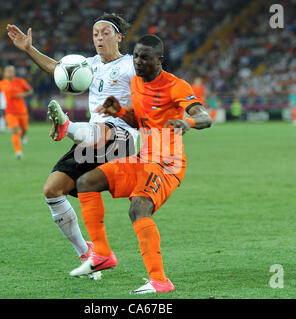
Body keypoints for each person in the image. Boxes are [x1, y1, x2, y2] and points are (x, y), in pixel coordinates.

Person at [69, 34, 212, 294]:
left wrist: (186, 122)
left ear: (159, 60)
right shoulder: (135, 82)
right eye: (135, 55)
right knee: (86, 182)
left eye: (144, 57)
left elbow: (205, 117)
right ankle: (101, 255)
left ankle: (160, 281)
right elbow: (140, 120)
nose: (137, 61)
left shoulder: (175, 86)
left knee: (138, 208)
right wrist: (120, 112)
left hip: (168, 162)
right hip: (144, 157)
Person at [6, 13, 138, 279]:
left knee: (104, 130)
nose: (99, 38)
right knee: (52, 190)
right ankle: (87, 253)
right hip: (94, 138)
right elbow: (58, 68)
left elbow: (140, 112)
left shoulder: (131, 67)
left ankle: (69, 128)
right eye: (95, 34)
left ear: (119, 37)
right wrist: (29, 48)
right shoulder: (89, 65)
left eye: (106, 33)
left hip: (122, 138)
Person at [0, 65, 33, 159]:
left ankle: (22, 136)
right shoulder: (1, 83)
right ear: (4, 73)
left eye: (10, 71)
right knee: (15, 130)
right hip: (10, 112)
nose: (8, 73)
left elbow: (30, 91)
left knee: (24, 130)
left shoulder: (20, 82)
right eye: (6, 71)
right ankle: (18, 152)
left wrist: (22, 94)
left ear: (14, 73)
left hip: (22, 111)